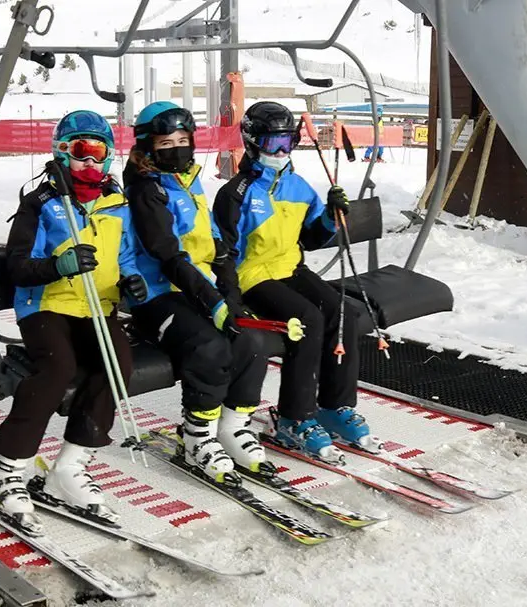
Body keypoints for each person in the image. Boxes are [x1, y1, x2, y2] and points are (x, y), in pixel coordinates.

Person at [0, 110, 145, 534]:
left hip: (97, 307)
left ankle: (69, 468)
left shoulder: (117, 203)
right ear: (61, 153)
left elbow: (126, 257)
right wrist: (59, 265)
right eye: (80, 152)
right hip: (46, 305)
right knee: (58, 368)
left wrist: (132, 283)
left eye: (99, 153)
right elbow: (19, 266)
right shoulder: (42, 203)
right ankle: (6, 466)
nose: (90, 163)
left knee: (117, 367)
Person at [213, 101, 377, 463]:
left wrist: (333, 218)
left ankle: (333, 406)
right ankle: (293, 417)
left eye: (288, 142)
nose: (282, 151)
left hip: (290, 268)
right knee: (307, 320)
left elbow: (313, 237)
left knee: (343, 312)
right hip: (253, 276)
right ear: (254, 143)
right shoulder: (236, 193)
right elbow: (223, 253)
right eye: (274, 143)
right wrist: (231, 297)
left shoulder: (298, 186)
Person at [123, 101, 270, 483]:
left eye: (183, 140)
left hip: (195, 285)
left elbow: (215, 242)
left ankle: (232, 425)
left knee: (251, 337)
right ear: (147, 145)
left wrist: (231, 300)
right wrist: (213, 302)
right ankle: (196, 435)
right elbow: (168, 255)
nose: (177, 148)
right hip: (156, 294)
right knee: (209, 346)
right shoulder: (145, 189)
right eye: (166, 141)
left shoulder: (188, 177)